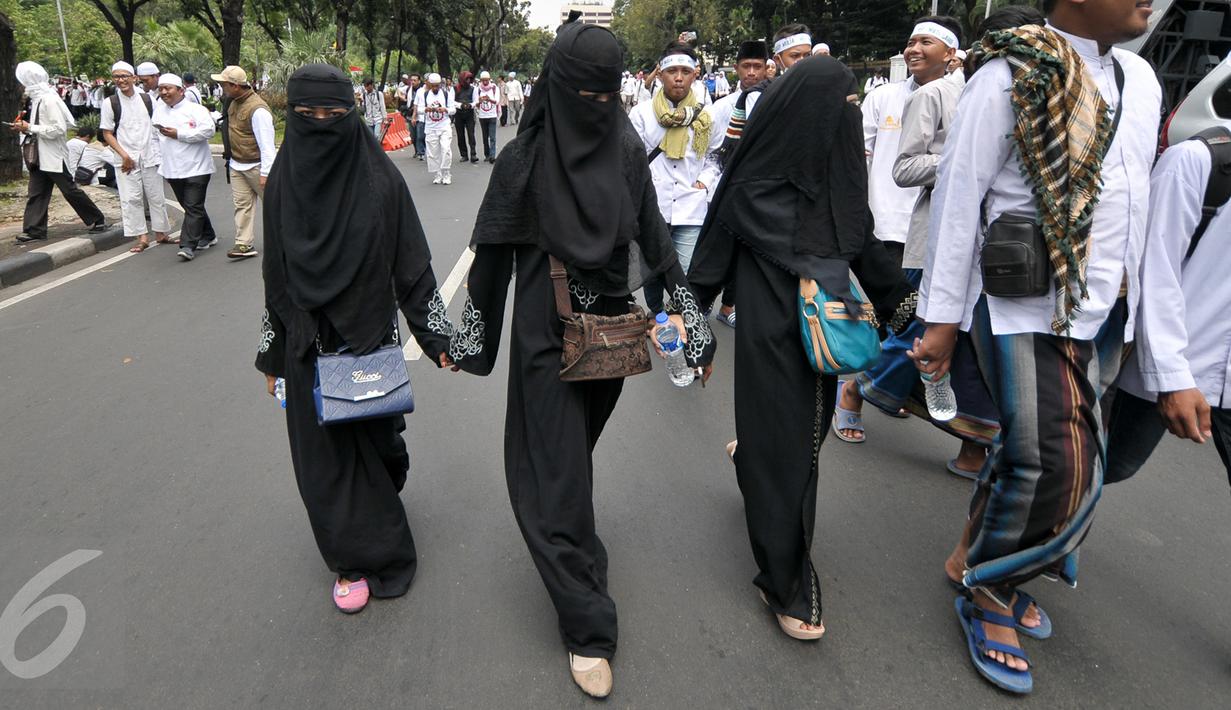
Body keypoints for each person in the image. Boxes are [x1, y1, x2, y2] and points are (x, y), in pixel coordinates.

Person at [449, 21, 715, 699]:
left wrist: (691, 322)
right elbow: (491, 258)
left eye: (606, 91)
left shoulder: (625, 147)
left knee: (568, 462)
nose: (593, 105)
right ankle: (587, 623)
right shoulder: (523, 159)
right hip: (544, 334)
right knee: (554, 473)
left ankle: (573, 541)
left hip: (612, 336)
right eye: (582, 91)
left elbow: (654, 240)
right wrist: (467, 340)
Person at [911, 0, 1159, 693]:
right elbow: (960, 197)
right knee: (1054, 463)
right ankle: (988, 587)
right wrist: (939, 319)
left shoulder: (1140, 79)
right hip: (1026, 303)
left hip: (1108, 307)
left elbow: (1137, 202)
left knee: (1033, 454)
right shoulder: (1009, 72)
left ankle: (968, 556)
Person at [687, 55, 917, 646]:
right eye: (840, 109)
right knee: (790, 459)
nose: (848, 120)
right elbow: (708, 262)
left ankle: (753, 462)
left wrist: (916, 321)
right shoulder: (749, 183)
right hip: (766, 344)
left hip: (825, 342)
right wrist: (694, 332)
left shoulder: (835, 185)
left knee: (795, 447)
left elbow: (864, 245)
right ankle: (786, 582)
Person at [254, 63, 454, 617]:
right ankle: (360, 557)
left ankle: (378, 501)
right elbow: (275, 280)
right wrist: (271, 353)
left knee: (380, 448)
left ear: (351, 114)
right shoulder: (282, 185)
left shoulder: (380, 180)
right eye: (307, 114)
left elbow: (412, 267)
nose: (321, 124)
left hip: (367, 337)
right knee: (327, 466)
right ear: (291, 116)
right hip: (306, 344)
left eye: (334, 114)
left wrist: (437, 336)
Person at [1104, 124, 1231, 484]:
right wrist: (1172, 378)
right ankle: (999, 529)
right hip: (1177, 359)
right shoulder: (1198, 161)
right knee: (1099, 465)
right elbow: (1155, 271)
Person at [630, 41, 723, 315]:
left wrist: (704, 182)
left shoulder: (707, 116)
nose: (679, 77)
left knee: (686, 271)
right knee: (652, 269)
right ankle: (657, 314)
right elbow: (633, 160)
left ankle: (680, 317)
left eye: (685, 71)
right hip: (652, 206)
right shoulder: (642, 114)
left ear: (695, 74)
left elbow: (716, 157)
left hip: (690, 205)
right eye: (672, 71)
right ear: (660, 74)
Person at [11, 61, 107, 243]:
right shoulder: (38, 98)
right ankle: (34, 230)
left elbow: (58, 129)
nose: (21, 85)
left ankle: (97, 219)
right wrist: (25, 128)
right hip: (39, 154)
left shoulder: (49, 99)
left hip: (53, 154)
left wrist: (30, 127)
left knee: (69, 190)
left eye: (22, 81)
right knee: (36, 192)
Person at [100, 60, 172, 253]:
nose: (121, 80)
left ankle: (161, 232)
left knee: (156, 196)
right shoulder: (110, 103)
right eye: (117, 77)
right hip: (125, 158)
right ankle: (141, 237)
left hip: (149, 155)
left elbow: (157, 126)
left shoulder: (147, 99)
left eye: (124, 76)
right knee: (131, 198)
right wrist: (124, 155)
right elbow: (107, 133)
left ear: (134, 78)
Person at [153, 73, 218, 261]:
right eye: (161, 88)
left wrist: (179, 134)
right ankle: (208, 234)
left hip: (197, 166)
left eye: (168, 88)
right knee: (190, 206)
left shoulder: (196, 110)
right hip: (172, 168)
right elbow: (154, 137)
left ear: (180, 90)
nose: (164, 92)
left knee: (193, 205)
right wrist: (159, 159)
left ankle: (187, 245)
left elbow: (208, 131)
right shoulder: (159, 111)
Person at [213, 65, 275, 260]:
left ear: (235, 86)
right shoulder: (233, 102)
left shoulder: (258, 110)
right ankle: (244, 243)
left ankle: (289, 240)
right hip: (237, 164)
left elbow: (267, 146)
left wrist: (266, 173)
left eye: (224, 84)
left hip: (256, 166)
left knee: (276, 206)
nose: (222, 87)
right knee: (242, 205)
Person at [453, 71, 478, 164]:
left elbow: (476, 100)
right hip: (458, 113)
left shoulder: (473, 89)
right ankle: (464, 155)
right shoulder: (455, 88)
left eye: (470, 79)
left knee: (471, 134)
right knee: (460, 135)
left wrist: (470, 105)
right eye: (466, 79)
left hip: (469, 113)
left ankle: (473, 154)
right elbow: (451, 101)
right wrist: (460, 105)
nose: (468, 81)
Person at [476, 70, 500, 162]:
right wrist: (480, 101)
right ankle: (487, 154)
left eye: (486, 80)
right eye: (483, 80)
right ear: (481, 80)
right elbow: (476, 105)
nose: (485, 82)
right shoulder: (478, 89)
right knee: (485, 137)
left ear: (489, 79)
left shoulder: (494, 88)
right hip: (482, 116)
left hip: (492, 115)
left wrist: (489, 99)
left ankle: (492, 156)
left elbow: (497, 101)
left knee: (492, 137)